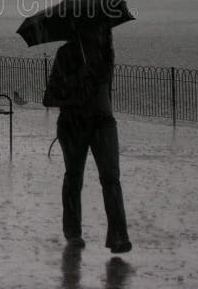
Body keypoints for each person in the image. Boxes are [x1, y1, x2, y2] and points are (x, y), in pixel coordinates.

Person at [49, 21, 132, 253]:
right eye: (97, 29)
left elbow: (104, 88)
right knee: (74, 177)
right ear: (82, 30)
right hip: (73, 123)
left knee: (111, 178)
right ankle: (72, 231)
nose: (102, 33)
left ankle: (118, 235)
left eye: (104, 30)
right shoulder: (65, 54)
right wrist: (79, 76)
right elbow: (53, 93)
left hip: (103, 122)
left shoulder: (107, 54)